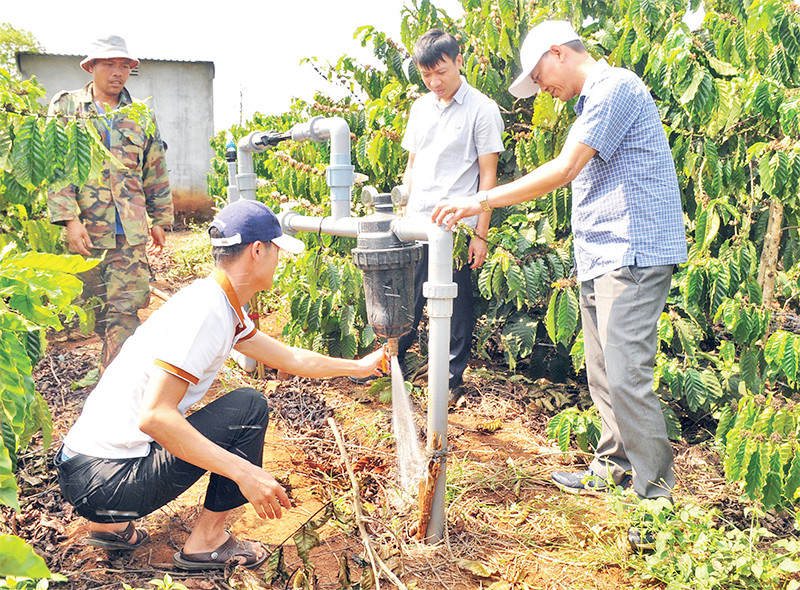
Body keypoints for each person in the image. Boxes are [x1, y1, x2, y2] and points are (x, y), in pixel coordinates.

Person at [431, 21, 687, 549]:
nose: (541, 87)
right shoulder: (590, 102)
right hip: (603, 252)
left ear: (558, 53)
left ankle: (657, 499)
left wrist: (481, 201)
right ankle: (614, 466)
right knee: (603, 372)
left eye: (539, 74)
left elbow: (567, 168)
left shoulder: (614, 88)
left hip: (633, 249)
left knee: (626, 374)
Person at [54, 199, 387, 570]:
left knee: (239, 405)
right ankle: (207, 542)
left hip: (81, 470)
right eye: (277, 250)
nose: (279, 260)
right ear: (258, 251)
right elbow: (155, 417)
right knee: (249, 406)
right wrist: (245, 473)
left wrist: (358, 367)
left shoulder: (215, 301)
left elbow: (291, 358)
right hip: (102, 483)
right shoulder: (207, 314)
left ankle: (110, 526)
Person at [47, 35, 173, 369]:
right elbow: (57, 166)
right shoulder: (66, 108)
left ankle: (117, 385)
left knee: (126, 309)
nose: (118, 73)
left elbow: (154, 168)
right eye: (109, 64)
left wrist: (160, 219)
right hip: (86, 229)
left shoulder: (140, 114)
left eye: (124, 66)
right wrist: (70, 220)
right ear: (91, 67)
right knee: (93, 310)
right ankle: (108, 374)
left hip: (129, 233)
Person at [398, 29, 504, 396]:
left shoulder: (483, 109)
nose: (434, 82)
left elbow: (488, 177)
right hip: (415, 222)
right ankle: (390, 364)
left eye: (440, 71)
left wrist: (480, 233)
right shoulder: (420, 107)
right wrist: (402, 211)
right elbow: (412, 164)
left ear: (459, 61)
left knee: (456, 304)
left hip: (454, 228)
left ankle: (451, 378)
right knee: (405, 296)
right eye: (426, 75)